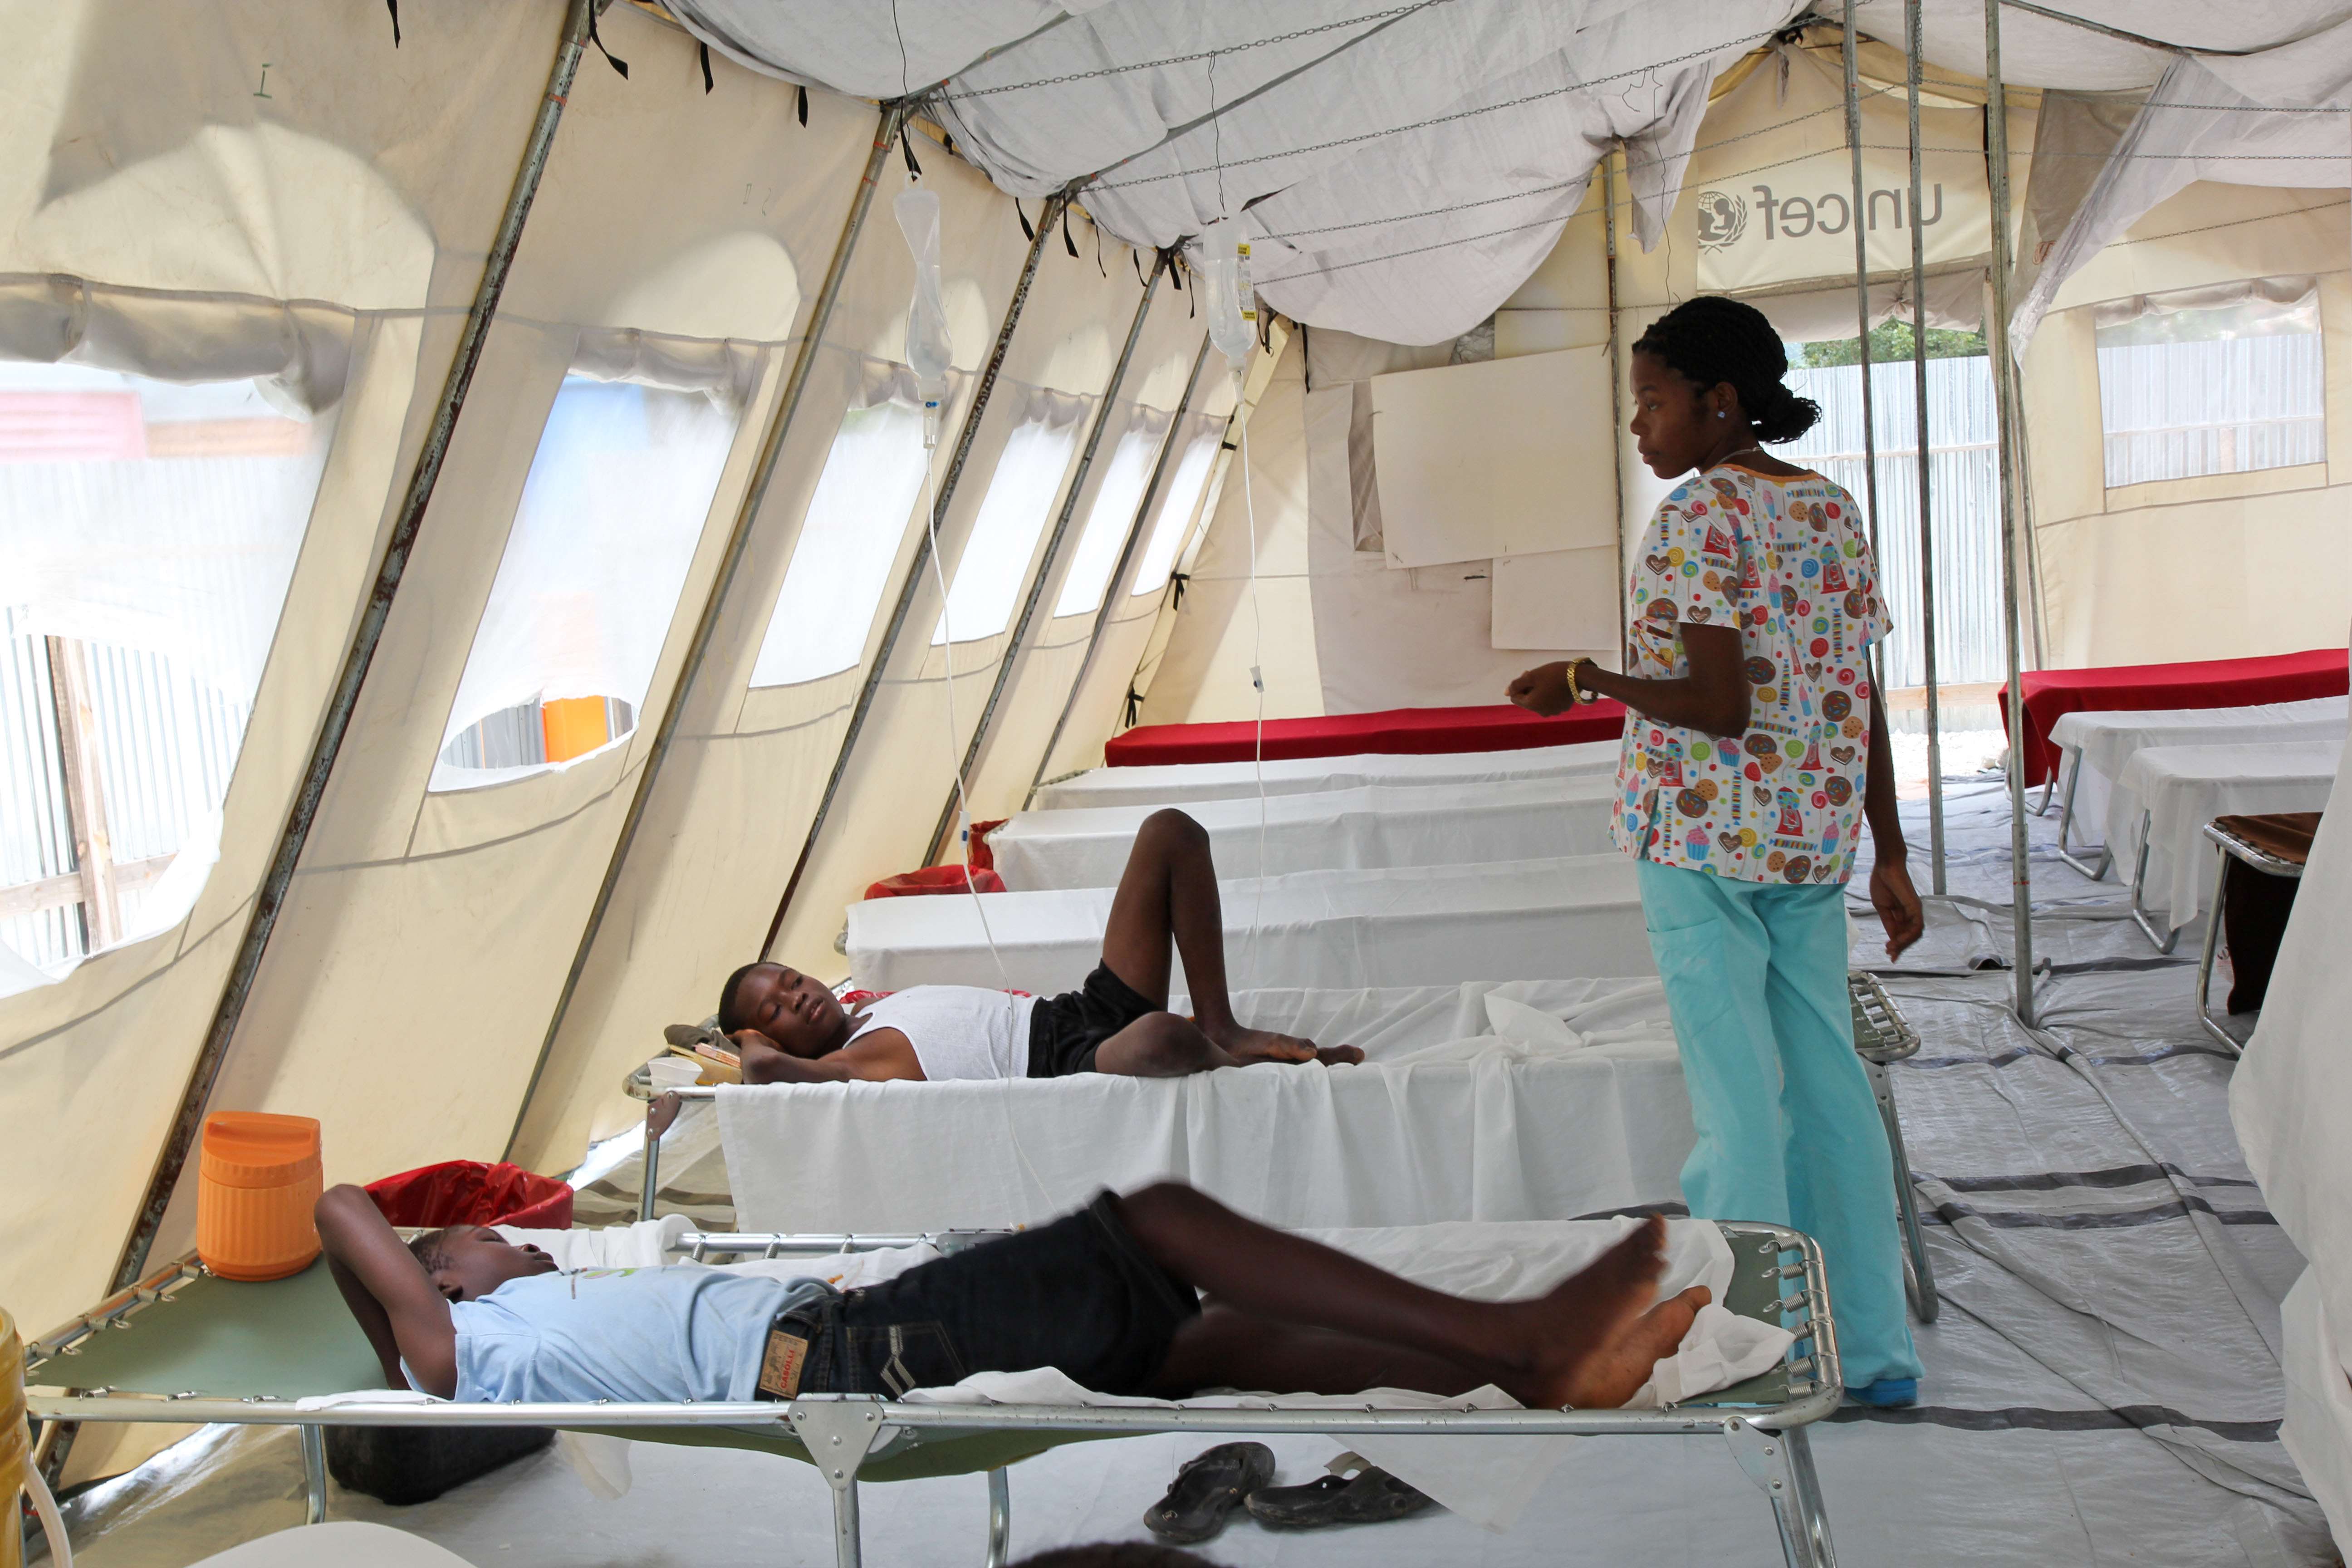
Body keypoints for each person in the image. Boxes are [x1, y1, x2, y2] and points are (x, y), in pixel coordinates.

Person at [1506, 294, 1926, 1407]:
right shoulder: (1831, 510)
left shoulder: (1701, 518)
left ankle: (1758, 1355)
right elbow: (1858, 689)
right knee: (1831, 1091)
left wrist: (1587, 679)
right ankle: (1876, 1355)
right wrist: (1888, 844)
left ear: (1718, 402)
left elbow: (1716, 701)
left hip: (1701, 842)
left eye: (1651, 402)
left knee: (1738, 1108)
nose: (1638, 427)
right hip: (1807, 845)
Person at [314, 1181, 1709, 1412]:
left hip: (856, 1329)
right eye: (491, 1240)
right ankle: (1518, 1341)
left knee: (1205, 1345)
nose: (528, 1244)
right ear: (436, 1279)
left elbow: (376, 1256)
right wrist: (353, 1233)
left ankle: (1508, 1375)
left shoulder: (500, 1324)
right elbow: (339, 1209)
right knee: (1156, 1226)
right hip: (849, 1359)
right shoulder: (473, 1349)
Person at [717, 808, 1362, 1084]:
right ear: (767, 1037)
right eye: (774, 1010)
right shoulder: (848, 1066)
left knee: (1171, 833)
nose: (797, 998)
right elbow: (766, 1073)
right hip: (1067, 1062)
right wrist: (749, 1045)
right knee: (1162, 1037)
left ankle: (1223, 1027)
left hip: (1071, 1012)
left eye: (792, 981)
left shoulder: (865, 1006)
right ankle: (1243, 1072)